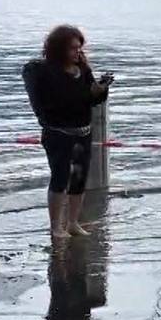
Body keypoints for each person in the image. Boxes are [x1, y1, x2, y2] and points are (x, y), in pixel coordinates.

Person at [24, 25, 112, 240]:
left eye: (80, 48)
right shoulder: (44, 72)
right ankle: (56, 226)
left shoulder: (83, 70)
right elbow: (52, 104)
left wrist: (99, 90)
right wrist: (84, 95)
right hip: (58, 132)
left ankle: (72, 222)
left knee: (79, 178)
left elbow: (91, 100)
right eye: (73, 48)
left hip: (83, 130)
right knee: (60, 177)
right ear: (59, 47)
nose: (77, 53)